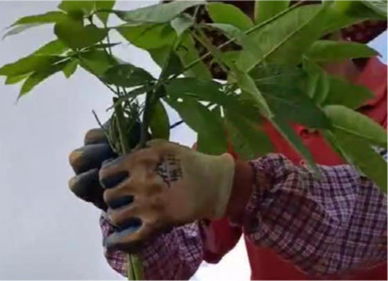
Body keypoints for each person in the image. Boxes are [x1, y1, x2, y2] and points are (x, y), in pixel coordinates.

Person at [68, 1, 387, 279]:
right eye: (242, 11)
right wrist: (131, 202)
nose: (261, 25)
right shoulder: (242, 127)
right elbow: (170, 264)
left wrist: (235, 186)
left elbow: (377, 214)